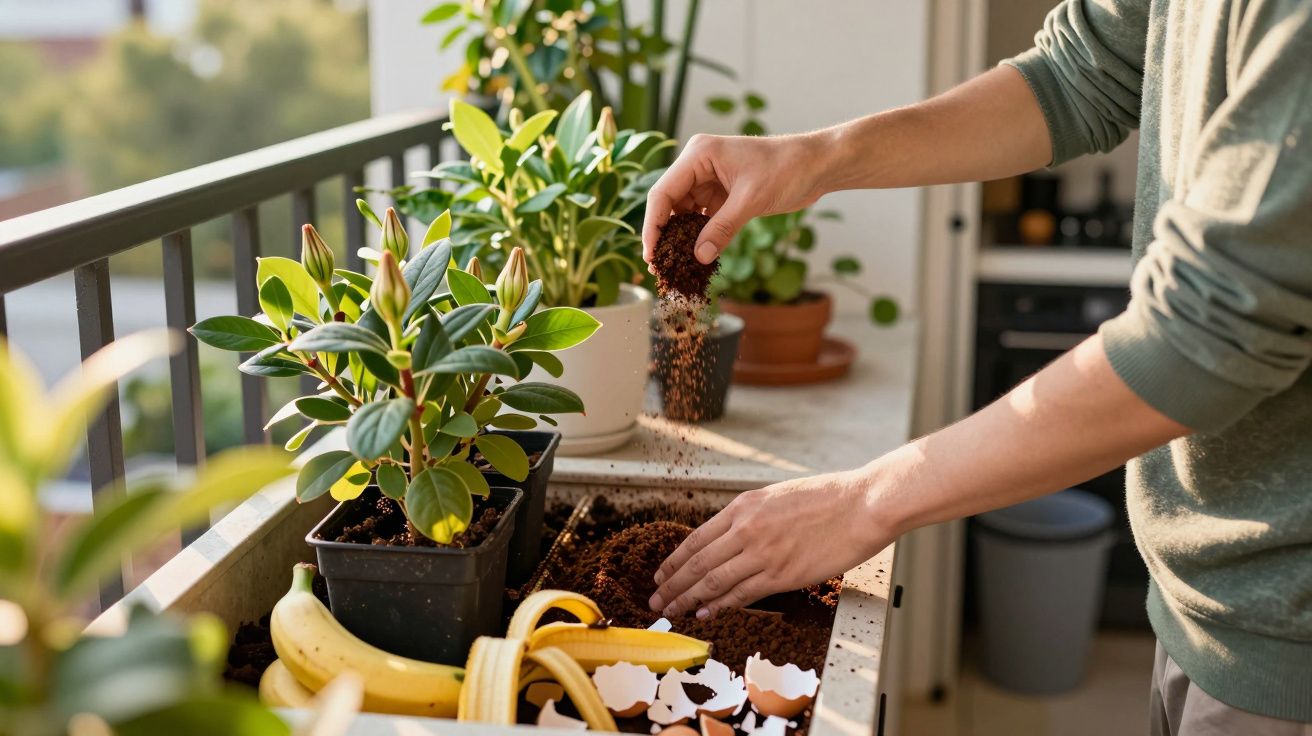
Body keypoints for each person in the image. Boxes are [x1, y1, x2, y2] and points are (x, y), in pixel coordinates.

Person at [641, 1, 1312, 734]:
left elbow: (1204, 337)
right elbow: (1080, 75)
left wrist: (865, 501)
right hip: (1206, 593)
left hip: (1290, 626)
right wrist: (815, 159)